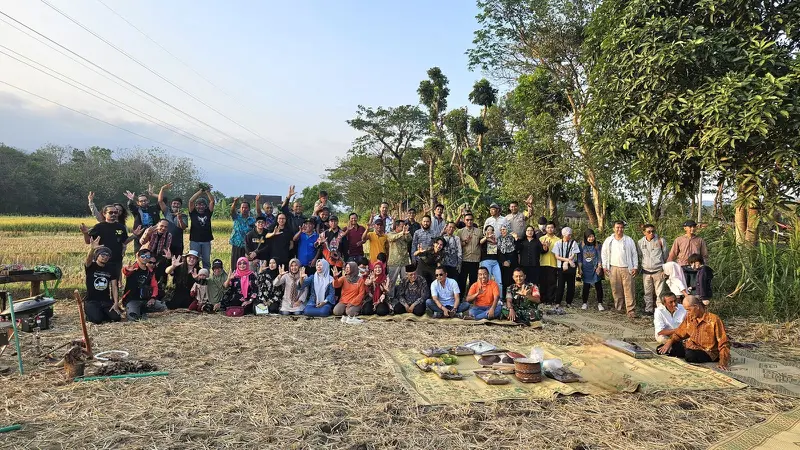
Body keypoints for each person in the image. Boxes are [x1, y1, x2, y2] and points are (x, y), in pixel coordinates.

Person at [659, 296, 730, 370]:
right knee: (662, 349)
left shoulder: (714, 320)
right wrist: (669, 342)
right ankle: (685, 351)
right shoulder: (689, 317)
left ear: (696, 307)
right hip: (690, 347)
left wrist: (723, 361)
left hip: (708, 352)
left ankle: (687, 352)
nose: (688, 313)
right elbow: (679, 333)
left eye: (688, 310)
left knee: (690, 356)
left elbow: (724, 342)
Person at [85, 204, 143, 276]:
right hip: (101, 259)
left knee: (115, 282)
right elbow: (88, 241)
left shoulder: (121, 227)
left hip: (116, 259)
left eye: (115, 212)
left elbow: (124, 241)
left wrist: (134, 235)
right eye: (111, 212)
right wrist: (85, 233)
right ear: (104, 214)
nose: (113, 214)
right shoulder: (98, 227)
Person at [601, 221, 639, 318]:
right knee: (616, 290)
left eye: (621, 227)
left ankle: (630, 310)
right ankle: (619, 308)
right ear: (613, 228)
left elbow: (634, 254)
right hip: (613, 268)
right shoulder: (609, 240)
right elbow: (604, 254)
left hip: (627, 268)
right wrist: (605, 266)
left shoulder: (629, 240)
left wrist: (635, 266)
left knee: (629, 290)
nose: (619, 229)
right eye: (617, 227)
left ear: (623, 228)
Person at [83, 238, 122, 324]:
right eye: (103, 255)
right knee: (97, 320)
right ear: (97, 256)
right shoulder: (91, 266)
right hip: (91, 300)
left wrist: (116, 302)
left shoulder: (111, 268)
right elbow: (88, 260)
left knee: (116, 318)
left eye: (108, 256)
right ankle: (92, 313)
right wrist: (92, 249)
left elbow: (114, 286)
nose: (105, 257)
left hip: (105, 300)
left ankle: (103, 312)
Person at [121, 248, 166, 321]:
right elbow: (126, 272)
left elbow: (154, 286)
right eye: (143, 256)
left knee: (162, 307)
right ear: (138, 257)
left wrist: (153, 298)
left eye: (147, 257)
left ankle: (142, 311)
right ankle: (135, 310)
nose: (145, 258)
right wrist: (126, 269)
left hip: (145, 300)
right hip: (132, 300)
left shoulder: (150, 272)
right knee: (133, 319)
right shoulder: (133, 268)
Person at [638, 223, 668, 314]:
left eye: (653, 231)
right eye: (649, 231)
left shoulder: (661, 241)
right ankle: (649, 309)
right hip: (646, 272)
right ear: (644, 232)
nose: (651, 233)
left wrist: (665, 270)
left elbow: (666, 255)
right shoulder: (640, 242)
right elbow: (640, 255)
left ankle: (660, 310)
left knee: (660, 292)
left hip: (658, 271)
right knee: (647, 292)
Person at [157, 183, 188, 256]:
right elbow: (160, 201)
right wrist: (162, 189)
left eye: (178, 204)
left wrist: (179, 218)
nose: (176, 205)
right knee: (165, 261)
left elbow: (183, 227)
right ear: (171, 204)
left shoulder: (183, 215)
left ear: (180, 206)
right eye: (174, 203)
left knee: (177, 262)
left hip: (178, 243)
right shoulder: (167, 211)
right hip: (165, 241)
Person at [553, 227, 580, 308]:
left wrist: (567, 261)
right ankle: (558, 302)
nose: (570, 236)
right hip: (561, 267)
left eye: (570, 235)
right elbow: (557, 256)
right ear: (564, 234)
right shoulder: (558, 243)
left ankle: (569, 302)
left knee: (571, 285)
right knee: (560, 285)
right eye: (568, 235)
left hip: (571, 267)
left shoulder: (574, 243)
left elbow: (574, 254)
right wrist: (567, 260)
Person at [188, 188, 215, 269]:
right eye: (198, 204)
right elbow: (191, 201)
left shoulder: (208, 212)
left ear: (205, 206)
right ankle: (194, 277)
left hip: (206, 241)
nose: (200, 206)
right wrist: (200, 192)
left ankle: (205, 278)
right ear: (196, 206)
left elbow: (212, 201)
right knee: (193, 260)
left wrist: (207, 192)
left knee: (206, 261)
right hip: (194, 240)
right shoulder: (193, 212)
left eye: (202, 204)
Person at [578, 229, 604, 311]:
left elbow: (600, 257)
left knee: (598, 286)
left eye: (592, 236)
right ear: (586, 237)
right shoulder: (581, 245)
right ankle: (584, 303)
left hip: (595, 269)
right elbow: (579, 258)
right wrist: (580, 269)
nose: (591, 238)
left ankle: (600, 303)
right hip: (586, 269)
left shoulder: (598, 245)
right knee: (586, 286)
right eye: (589, 237)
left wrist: (599, 267)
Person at [457, 213, 481, 294]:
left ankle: (471, 296)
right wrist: (465, 242)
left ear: (473, 220)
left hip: (475, 259)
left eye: (471, 220)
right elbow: (458, 245)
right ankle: (460, 297)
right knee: (462, 279)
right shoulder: (460, 232)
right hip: (464, 259)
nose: (469, 221)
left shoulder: (479, 231)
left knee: (473, 280)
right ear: (464, 221)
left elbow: (482, 243)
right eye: (467, 220)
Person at [229, 198, 256, 270]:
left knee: (245, 265)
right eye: (242, 207)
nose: (244, 209)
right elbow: (231, 211)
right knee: (235, 265)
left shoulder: (252, 220)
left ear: (249, 209)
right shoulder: (236, 217)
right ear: (240, 209)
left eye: (246, 207)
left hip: (247, 246)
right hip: (237, 244)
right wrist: (234, 202)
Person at [386, 220, 411, 296]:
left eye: (404, 226)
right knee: (392, 281)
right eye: (402, 226)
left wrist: (406, 233)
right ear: (397, 227)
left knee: (406, 281)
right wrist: (402, 233)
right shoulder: (390, 234)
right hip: (394, 262)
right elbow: (392, 238)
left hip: (404, 262)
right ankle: (390, 298)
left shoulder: (405, 233)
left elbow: (409, 239)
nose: (404, 228)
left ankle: (404, 297)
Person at [538, 222, 558, 304]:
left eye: (552, 227)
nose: (550, 229)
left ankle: (550, 300)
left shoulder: (558, 240)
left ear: (554, 229)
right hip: (542, 263)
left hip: (553, 263)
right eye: (548, 227)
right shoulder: (541, 239)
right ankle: (543, 299)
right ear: (545, 229)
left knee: (552, 282)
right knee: (543, 282)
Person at [479, 225, 503, 291]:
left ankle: (499, 298)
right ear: (485, 231)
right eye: (488, 230)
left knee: (499, 280)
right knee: (487, 280)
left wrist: (495, 242)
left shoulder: (495, 240)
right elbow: (480, 242)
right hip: (486, 261)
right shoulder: (483, 239)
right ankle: (486, 297)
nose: (490, 231)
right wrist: (487, 237)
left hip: (495, 262)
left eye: (492, 230)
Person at [497, 224, 518, 297]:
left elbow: (516, 250)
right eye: (501, 229)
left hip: (512, 261)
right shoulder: (498, 239)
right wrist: (503, 261)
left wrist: (509, 261)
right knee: (503, 279)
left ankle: (512, 297)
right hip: (502, 261)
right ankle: (502, 297)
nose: (503, 231)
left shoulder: (512, 238)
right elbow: (498, 251)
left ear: (508, 230)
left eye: (504, 229)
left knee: (511, 279)